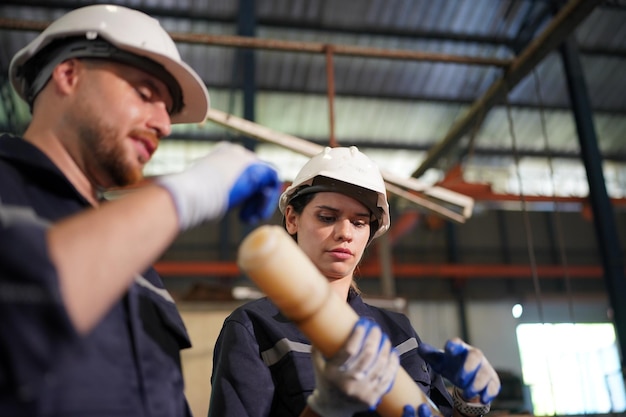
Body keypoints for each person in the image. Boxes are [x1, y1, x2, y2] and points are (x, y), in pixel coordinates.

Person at [0, 4, 281, 416]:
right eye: (146, 94)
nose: (164, 125)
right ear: (69, 75)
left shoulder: (139, 266)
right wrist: (190, 192)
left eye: (168, 110)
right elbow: (27, 305)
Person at [208, 146, 500, 417]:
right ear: (292, 219)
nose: (345, 232)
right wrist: (324, 408)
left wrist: (469, 401)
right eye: (327, 217)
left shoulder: (400, 333)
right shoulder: (254, 329)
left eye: (359, 222)